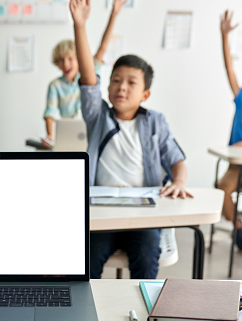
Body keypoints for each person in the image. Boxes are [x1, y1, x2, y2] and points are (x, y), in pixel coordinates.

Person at [70, 0, 192, 279]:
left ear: (145, 94)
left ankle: (141, 314)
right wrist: (80, 26)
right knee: (88, 260)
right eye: (115, 80)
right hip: (102, 213)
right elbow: (88, 78)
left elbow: (177, 160)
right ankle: (91, 315)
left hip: (143, 215)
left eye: (131, 82)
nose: (121, 87)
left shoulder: (155, 122)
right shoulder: (97, 116)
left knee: (148, 252)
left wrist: (179, 181)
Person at [42, 0, 126, 148]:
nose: (66, 64)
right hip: (69, 139)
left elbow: (103, 46)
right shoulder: (55, 86)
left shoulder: (89, 74)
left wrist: (114, 13)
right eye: (61, 60)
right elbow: (50, 113)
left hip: (93, 136)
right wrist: (50, 135)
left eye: (70, 58)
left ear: (80, 57)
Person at [218, 10, 242, 250]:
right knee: (222, 189)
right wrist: (224, 36)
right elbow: (230, 68)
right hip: (236, 165)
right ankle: (237, 226)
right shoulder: (241, 95)